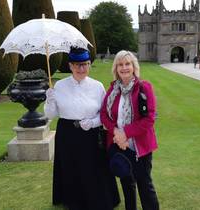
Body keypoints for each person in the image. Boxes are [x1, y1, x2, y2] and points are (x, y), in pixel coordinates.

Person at [44, 47, 120, 210]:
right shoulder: (59, 86)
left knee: (93, 168)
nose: (82, 68)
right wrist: (49, 101)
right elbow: (51, 115)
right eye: (78, 65)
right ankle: (73, 201)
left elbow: (105, 115)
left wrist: (92, 122)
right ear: (70, 66)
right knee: (70, 167)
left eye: (85, 64)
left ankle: (97, 199)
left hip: (91, 134)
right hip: (67, 133)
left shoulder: (97, 86)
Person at [100, 50, 159, 210]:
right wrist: (117, 133)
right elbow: (104, 115)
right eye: (120, 64)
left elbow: (149, 118)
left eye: (127, 64)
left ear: (134, 67)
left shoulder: (144, 87)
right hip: (119, 145)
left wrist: (126, 133)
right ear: (116, 68)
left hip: (140, 147)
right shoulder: (113, 89)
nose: (124, 67)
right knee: (127, 184)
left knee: (144, 185)